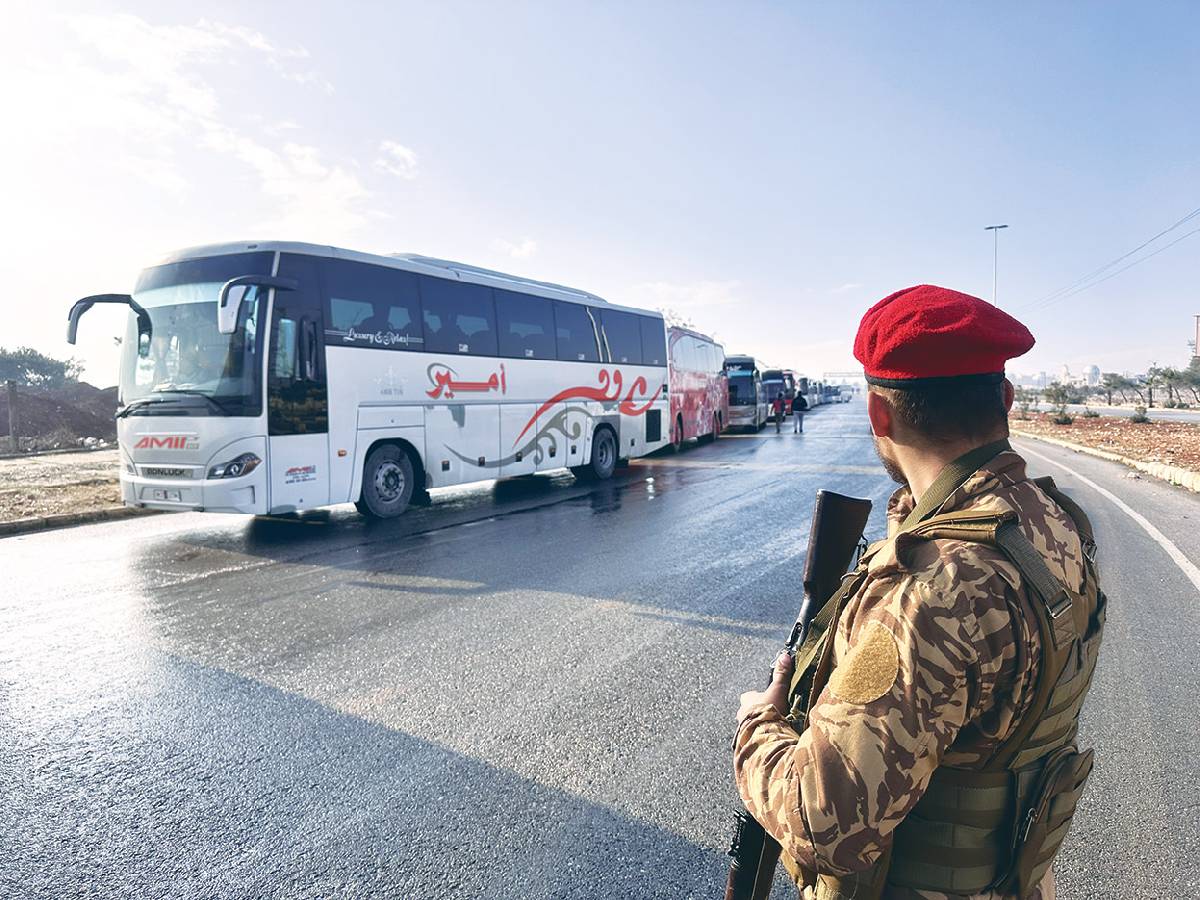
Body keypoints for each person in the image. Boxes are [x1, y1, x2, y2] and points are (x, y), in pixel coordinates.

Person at [733, 285, 1105, 900]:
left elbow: (824, 823)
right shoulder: (1055, 521)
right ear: (1006, 399)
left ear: (879, 415)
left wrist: (758, 725)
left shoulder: (930, 593)